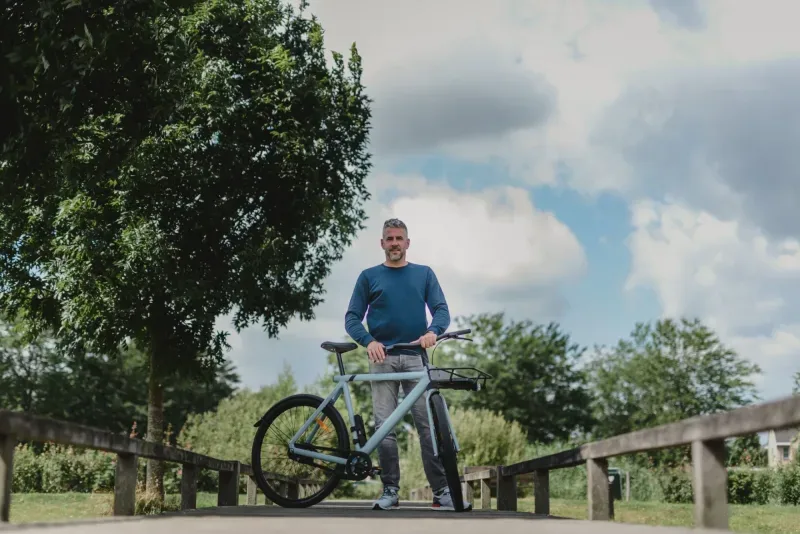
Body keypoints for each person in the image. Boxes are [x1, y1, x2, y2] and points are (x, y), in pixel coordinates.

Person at [344, 218, 469, 512]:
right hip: (382, 357)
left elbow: (441, 310)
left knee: (428, 427)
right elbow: (352, 317)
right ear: (382, 243)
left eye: (399, 238)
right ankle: (390, 490)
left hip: (416, 357)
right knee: (384, 427)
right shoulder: (368, 276)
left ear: (408, 243)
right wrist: (368, 341)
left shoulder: (424, 274)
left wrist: (432, 332)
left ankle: (440, 492)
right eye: (389, 238)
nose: (395, 243)